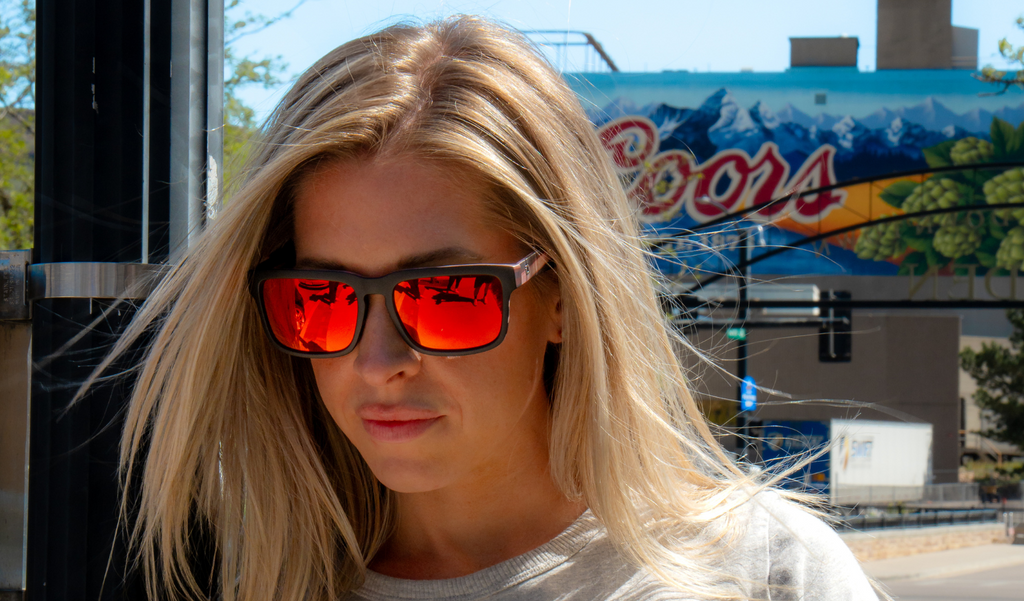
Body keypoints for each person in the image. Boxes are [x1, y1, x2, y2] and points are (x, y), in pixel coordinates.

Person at [103, 15, 880, 601]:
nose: (377, 360)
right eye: (322, 299)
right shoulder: (236, 581)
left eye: (444, 297)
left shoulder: (763, 573)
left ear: (564, 297)